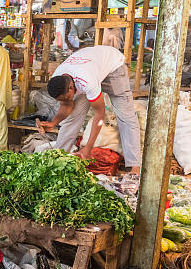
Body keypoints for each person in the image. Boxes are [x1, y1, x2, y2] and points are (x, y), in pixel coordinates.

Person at [38, 45, 141, 174]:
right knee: (73, 117)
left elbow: (99, 115)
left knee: (125, 116)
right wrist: (53, 123)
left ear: (71, 88)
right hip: (91, 67)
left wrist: (88, 147)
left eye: (67, 97)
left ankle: (135, 167)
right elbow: (66, 105)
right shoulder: (59, 79)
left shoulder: (87, 82)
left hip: (113, 66)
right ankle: (58, 159)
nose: (66, 100)